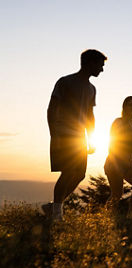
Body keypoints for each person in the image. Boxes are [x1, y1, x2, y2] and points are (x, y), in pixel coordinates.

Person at [44, 49, 107, 221]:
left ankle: (53, 207)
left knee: (79, 174)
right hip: (63, 134)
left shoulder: (92, 89)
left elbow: (89, 115)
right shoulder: (65, 82)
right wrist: (54, 134)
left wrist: (91, 138)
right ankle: (57, 216)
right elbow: (51, 108)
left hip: (79, 137)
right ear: (89, 63)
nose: (102, 69)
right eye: (100, 65)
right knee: (68, 171)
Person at [104, 96, 132, 214]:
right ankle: (105, 215)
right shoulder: (118, 122)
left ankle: (131, 215)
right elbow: (112, 142)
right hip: (115, 162)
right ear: (124, 107)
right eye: (130, 105)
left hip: (129, 163)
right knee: (117, 194)